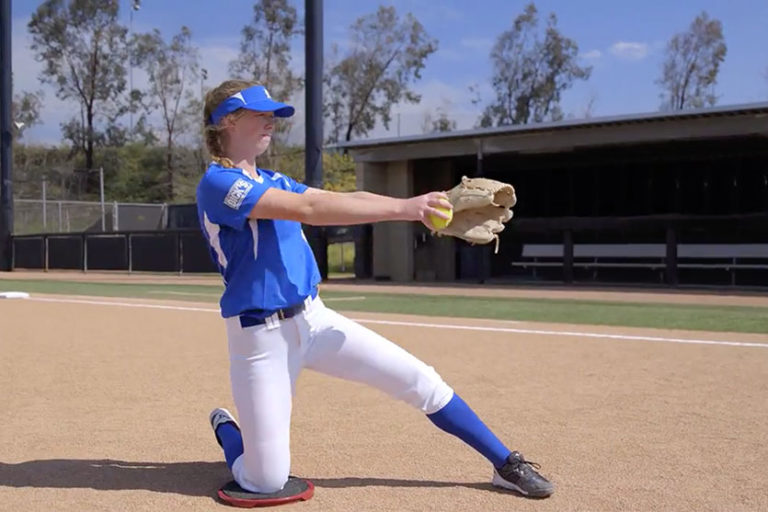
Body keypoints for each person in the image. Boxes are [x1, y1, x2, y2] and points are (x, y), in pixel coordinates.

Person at [196, 79, 554, 499]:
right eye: (260, 114)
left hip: (313, 319)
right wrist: (407, 209)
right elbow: (312, 210)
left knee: (421, 380)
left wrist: (418, 204)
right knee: (264, 480)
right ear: (228, 122)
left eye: (272, 114)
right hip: (260, 338)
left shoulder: (276, 179)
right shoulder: (219, 185)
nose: (271, 121)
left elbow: (338, 197)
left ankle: (505, 462)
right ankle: (227, 429)